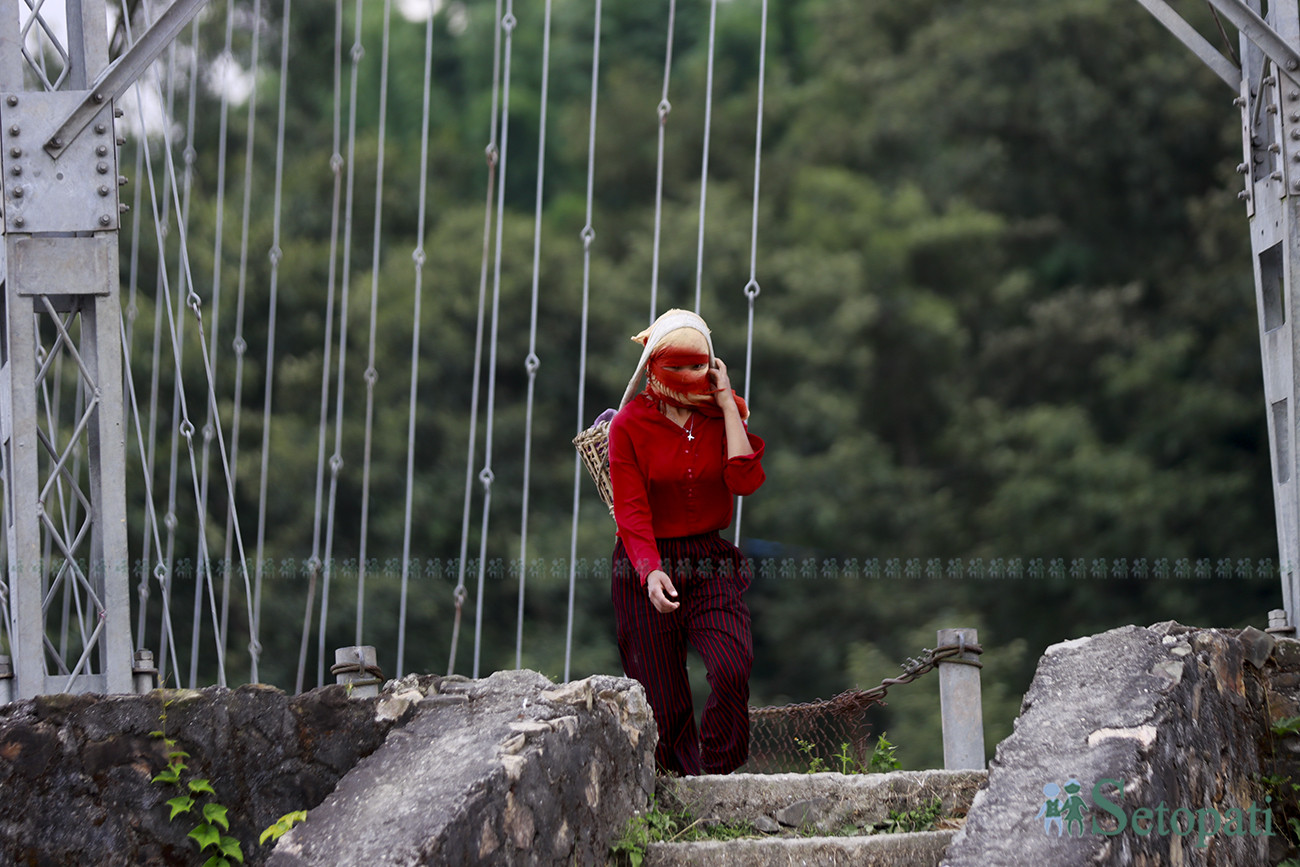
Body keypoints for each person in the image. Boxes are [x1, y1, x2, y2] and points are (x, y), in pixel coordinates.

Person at [607, 308, 766, 776]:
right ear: (652, 366)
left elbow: (745, 479)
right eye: (673, 366)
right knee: (662, 697)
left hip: (709, 561)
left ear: (712, 365)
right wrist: (649, 570)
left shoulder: (720, 415)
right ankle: (683, 793)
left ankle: (717, 778)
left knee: (732, 667)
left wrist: (726, 405)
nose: (685, 376)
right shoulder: (629, 425)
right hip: (645, 563)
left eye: (697, 365)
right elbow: (631, 510)